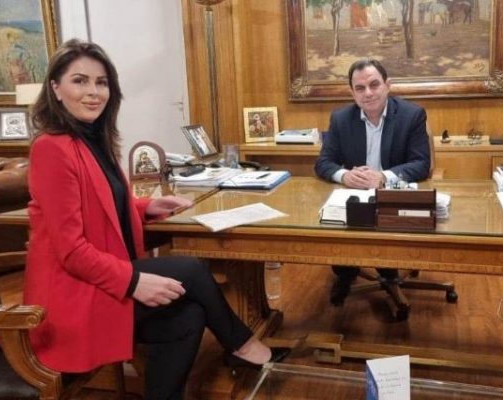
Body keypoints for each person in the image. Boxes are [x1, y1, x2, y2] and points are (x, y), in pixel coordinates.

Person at [24, 39, 288, 400]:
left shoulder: (93, 139)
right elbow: (71, 251)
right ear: (55, 88)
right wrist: (132, 281)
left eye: (101, 82)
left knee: (189, 317)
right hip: (72, 295)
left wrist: (145, 207)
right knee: (192, 270)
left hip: (95, 278)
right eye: (79, 81)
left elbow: (101, 208)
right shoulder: (51, 148)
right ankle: (243, 346)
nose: (93, 92)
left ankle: (236, 349)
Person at [314, 58, 431, 306]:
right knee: (335, 222)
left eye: (374, 84)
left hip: (392, 195)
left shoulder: (412, 115)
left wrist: (384, 177)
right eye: (360, 88)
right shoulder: (341, 119)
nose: (368, 93)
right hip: (356, 196)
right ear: (352, 93)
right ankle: (346, 272)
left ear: (387, 85)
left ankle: (387, 268)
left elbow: (421, 163)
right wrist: (344, 175)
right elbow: (323, 163)